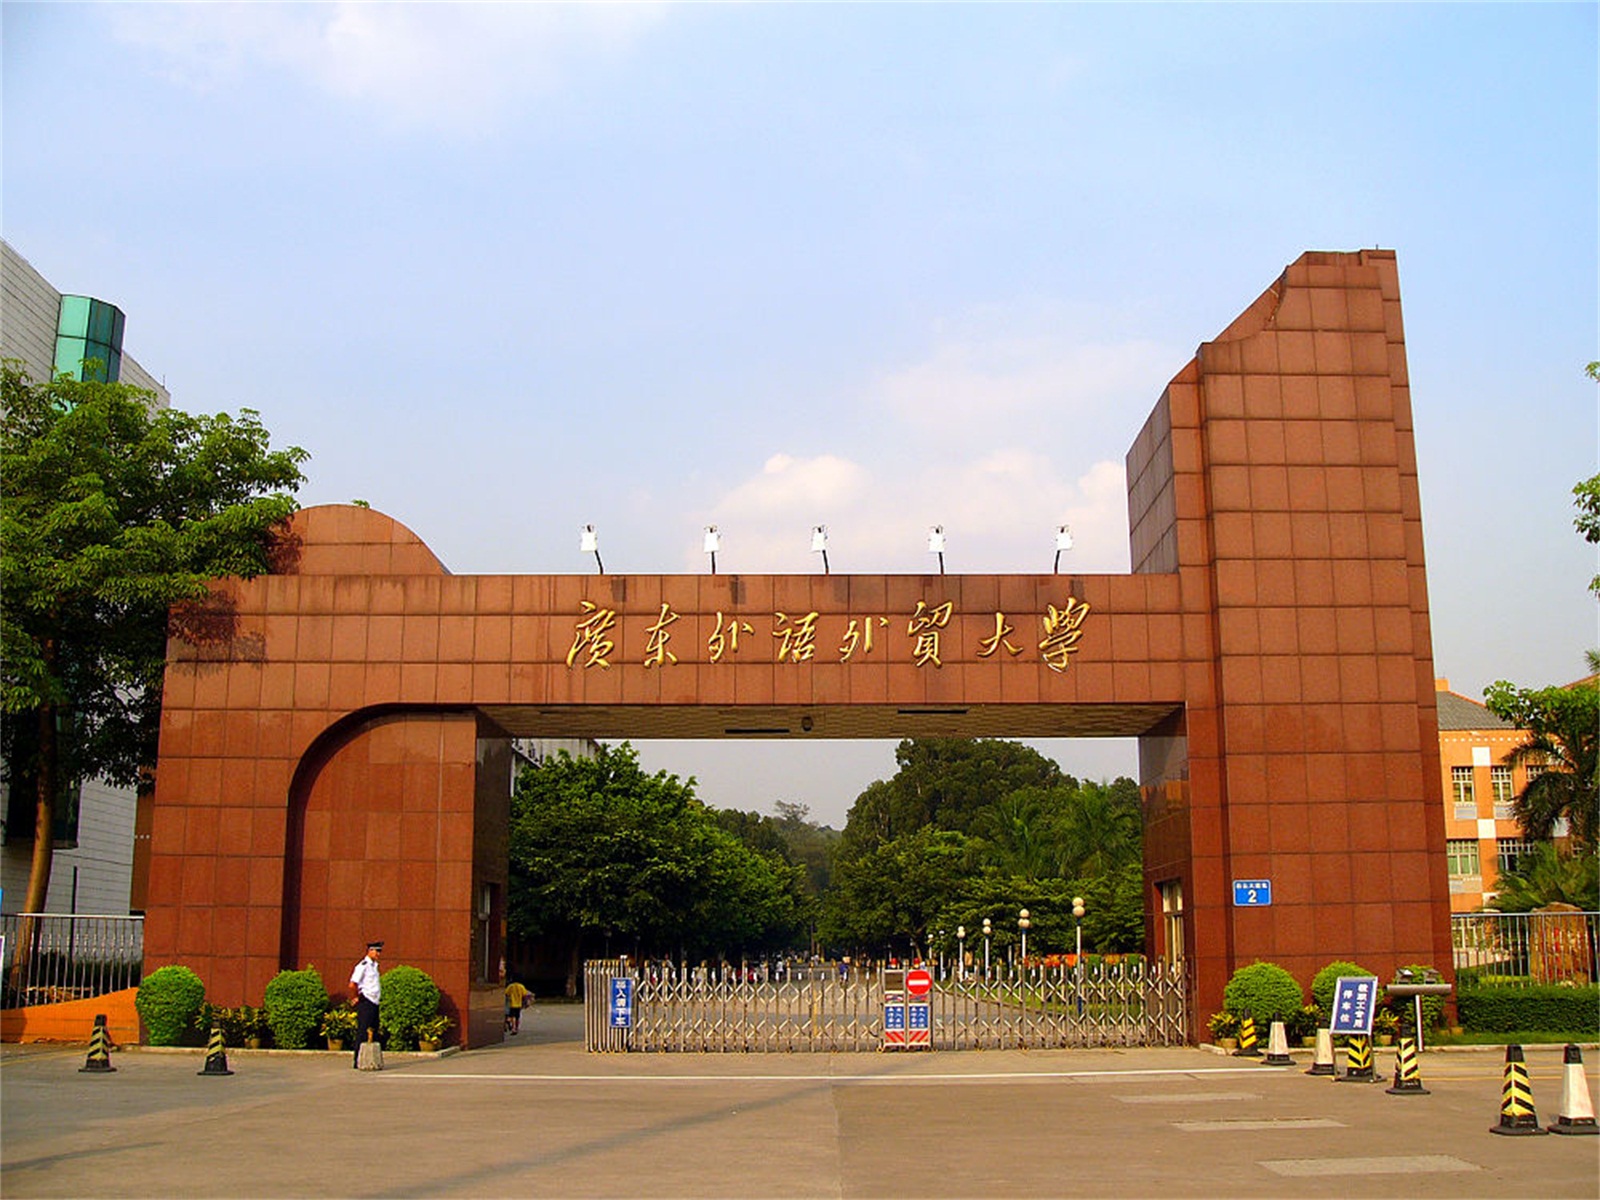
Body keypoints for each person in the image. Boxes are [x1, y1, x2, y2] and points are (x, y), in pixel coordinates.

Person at [347, 939, 383, 1068]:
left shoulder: (374, 966)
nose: (378, 953)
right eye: (376, 951)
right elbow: (352, 984)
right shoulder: (362, 965)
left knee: (374, 1030)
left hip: (374, 1001)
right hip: (366, 1001)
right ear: (370, 951)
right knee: (362, 1031)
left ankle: (372, 1059)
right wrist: (355, 997)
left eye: (380, 951)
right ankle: (358, 1060)